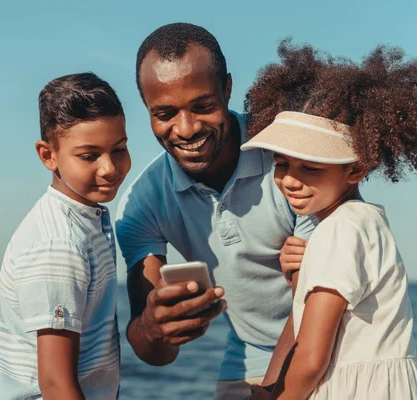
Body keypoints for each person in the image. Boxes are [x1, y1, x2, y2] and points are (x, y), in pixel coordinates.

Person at [115, 23, 315, 399]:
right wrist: (157, 328)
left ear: (227, 90)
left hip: (340, 345)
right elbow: (155, 354)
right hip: (248, 358)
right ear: (147, 109)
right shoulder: (140, 203)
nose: (186, 128)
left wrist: (271, 390)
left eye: (203, 106)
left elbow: (317, 302)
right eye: (165, 113)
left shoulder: (292, 158)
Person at [243, 40, 417, 399]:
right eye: (281, 164)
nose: (291, 179)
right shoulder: (364, 222)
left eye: (310, 167)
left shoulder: (338, 230)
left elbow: (310, 360)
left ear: (356, 169)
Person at [0, 73, 131, 400]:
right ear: (48, 155)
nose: (109, 167)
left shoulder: (87, 219)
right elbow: (56, 385)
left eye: (118, 149)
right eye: (89, 155)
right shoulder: (59, 244)